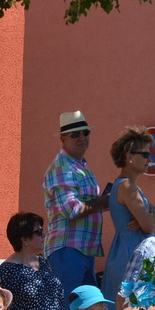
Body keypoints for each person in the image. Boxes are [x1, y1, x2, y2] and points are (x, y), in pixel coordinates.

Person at [42, 111, 104, 293]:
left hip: (83, 249)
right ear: (63, 139)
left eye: (85, 132)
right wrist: (102, 202)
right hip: (68, 249)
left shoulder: (78, 166)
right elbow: (71, 209)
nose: (82, 138)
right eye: (75, 134)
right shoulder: (63, 167)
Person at [101, 128, 155, 302]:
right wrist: (148, 218)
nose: (150, 159)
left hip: (125, 251)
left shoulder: (128, 185)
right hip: (130, 255)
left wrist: (148, 217)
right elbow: (151, 226)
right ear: (129, 156)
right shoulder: (127, 186)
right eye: (145, 155)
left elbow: (151, 218)